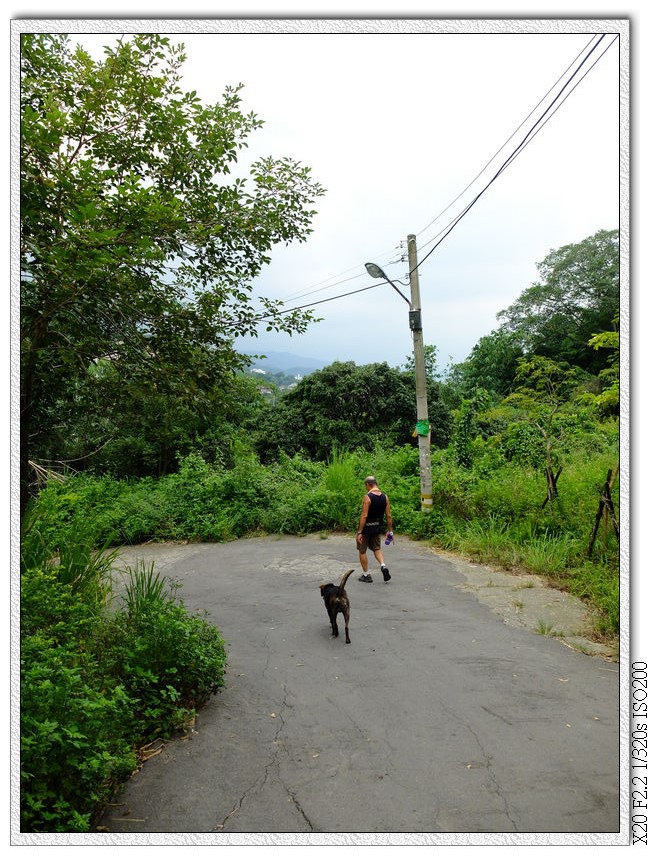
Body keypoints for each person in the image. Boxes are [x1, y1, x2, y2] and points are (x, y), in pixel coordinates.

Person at [356, 475, 394, 583]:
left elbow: (364, 516)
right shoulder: (385, 497)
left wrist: (360, 532)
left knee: (362, 551)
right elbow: (388, 515)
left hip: (366, 530)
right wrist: (390, 530)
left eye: (366, 486)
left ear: (368, 484)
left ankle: (366, 575)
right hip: (377, 528)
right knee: (377, 549)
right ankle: (383, 565)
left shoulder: (367, 497)